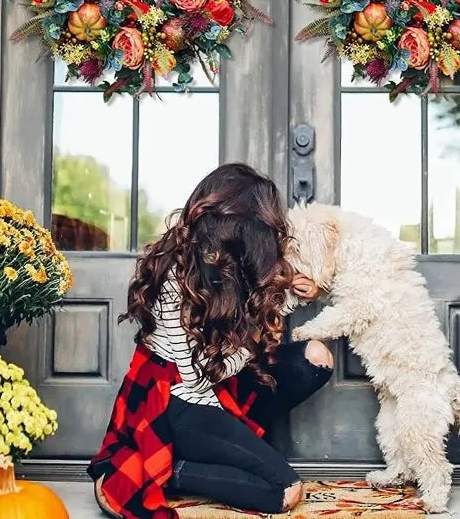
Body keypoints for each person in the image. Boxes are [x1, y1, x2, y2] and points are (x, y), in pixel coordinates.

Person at [89, 163, 333, 519]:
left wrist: (301, 296)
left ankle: (234, 451)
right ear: (238, 227)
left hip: (217, 384)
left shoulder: (230, 261)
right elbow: (199, 378)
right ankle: (167, 471)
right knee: (283, 491)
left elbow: (252, 320)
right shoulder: (174, 273)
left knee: (316, 357)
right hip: (178, 400)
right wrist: (254, 343)